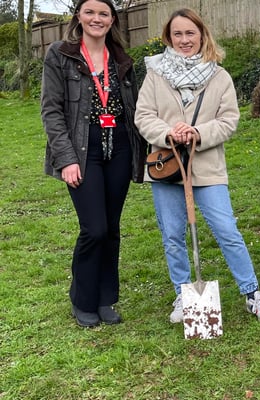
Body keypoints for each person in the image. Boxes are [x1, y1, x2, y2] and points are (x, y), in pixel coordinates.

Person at [134, 8, 260, 323]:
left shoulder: (219, 76)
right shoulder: (155, 75)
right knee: (172, 235)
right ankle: (183, 295)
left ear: (202, 35)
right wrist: (168, 132)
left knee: (227, 230)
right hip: (167, 168)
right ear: (168, 38)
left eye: (190, 33)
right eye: (177, 34)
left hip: (208, 167)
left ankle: (252, 293)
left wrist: (197, 133)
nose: (184, 40)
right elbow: (143, 116)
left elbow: (229, 120)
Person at [41, 0, 146, 327]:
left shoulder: (123, 60)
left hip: (120, 147)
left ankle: (104, 299)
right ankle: (81, 299)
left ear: (112, 19)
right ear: (79, 16)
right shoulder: (60, 54)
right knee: (94, 228)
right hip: (83, 149)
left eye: (103, 13)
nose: (96, 19)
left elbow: (137, 108)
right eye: (90, 12)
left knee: (111, 229)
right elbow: (51, 112)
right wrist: (67, 159)